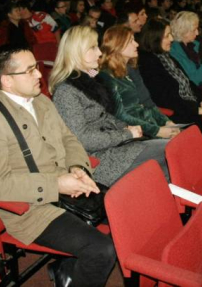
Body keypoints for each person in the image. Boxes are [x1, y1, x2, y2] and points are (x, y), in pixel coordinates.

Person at [0, 44, 116, 287]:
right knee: (102, 249)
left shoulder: (41, 101)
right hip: (31, 209)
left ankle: (68, 270)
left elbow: (69, 139)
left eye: (36, 67)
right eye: (30, 70)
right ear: (7, 81)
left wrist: (78, 167)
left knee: (128, 213)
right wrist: (56, 184)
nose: (39, 74)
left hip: (65, 187)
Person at [50, 25, 170, 184]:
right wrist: (126, 134)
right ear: (77, 52)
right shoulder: (66, 91)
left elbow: (106, 116)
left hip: (115, 148)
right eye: (93, 48)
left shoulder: (91, 80)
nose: (99, 53)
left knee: (170, 157)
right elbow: (82, 139)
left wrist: (126, 128)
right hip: (100, 159)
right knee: (171, 151)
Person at [98, 25, 179, 139]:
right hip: (133, 134)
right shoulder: (106, 76)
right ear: (118, 46)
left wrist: (166, 122)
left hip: (148, 125)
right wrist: (156, 131)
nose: (137, 44)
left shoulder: (130, 69)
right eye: (131, 41)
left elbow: (148, 103)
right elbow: (120, 115)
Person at [138, 18, 202, 127]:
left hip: (190, 104)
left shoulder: (165, 55)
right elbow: (165, 99)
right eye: (167, 36)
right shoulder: (148, 63)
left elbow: (187, 81)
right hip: (178, 113)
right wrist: (196, 109)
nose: (171, 38)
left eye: (170, 34)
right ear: (154, 39)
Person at [169, 11, 202, 87]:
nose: (197, 33)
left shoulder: (195, 44)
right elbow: (192, 81)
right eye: (194, 30)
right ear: (183, 31)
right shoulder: (174, 52)